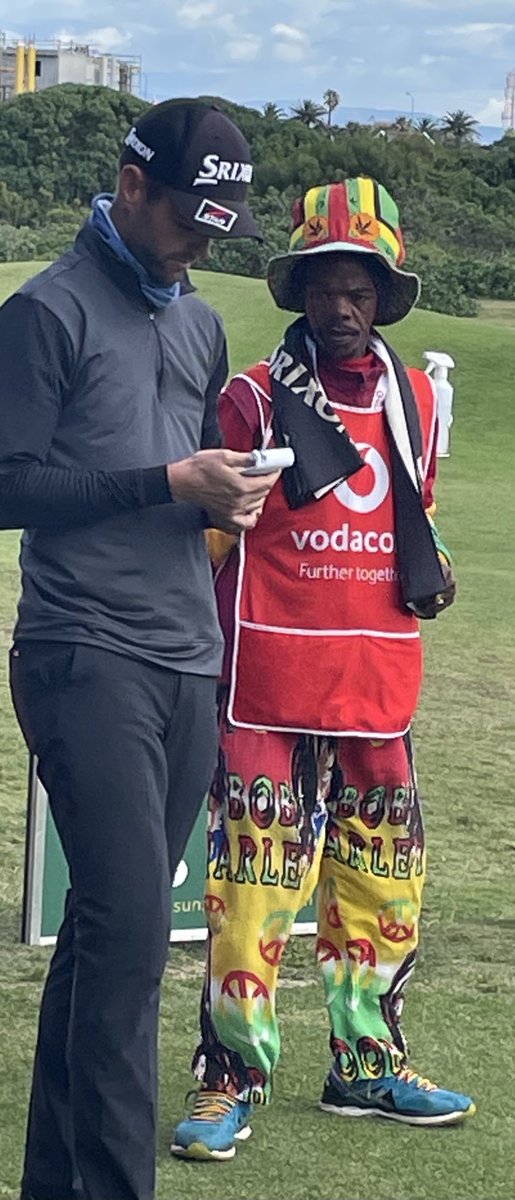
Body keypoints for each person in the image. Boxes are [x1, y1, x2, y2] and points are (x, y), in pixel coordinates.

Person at [0, 99, 282, 1200]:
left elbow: (183, 474)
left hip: (184, 657)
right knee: (136, 935)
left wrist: (222, 501)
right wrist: (164, 484)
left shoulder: (197, 321)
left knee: (109, 935)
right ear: (131, 184)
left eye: (218, 225)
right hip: (79, 651)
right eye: (187, 219)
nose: (200, 245)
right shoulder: (42, 313)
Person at [171, 175, 476, 1162]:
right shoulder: (251, 400)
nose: (339, 309)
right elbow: (205, 538)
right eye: (321, 287)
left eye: (358, 289)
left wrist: (433, 573)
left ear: (383, 297)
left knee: (381, 890)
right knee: (250, 899)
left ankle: (365, 1066)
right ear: (296, 291)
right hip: (263, 687)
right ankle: (228, 1078)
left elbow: (408, 530)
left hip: (378, 691)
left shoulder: (419, 400)